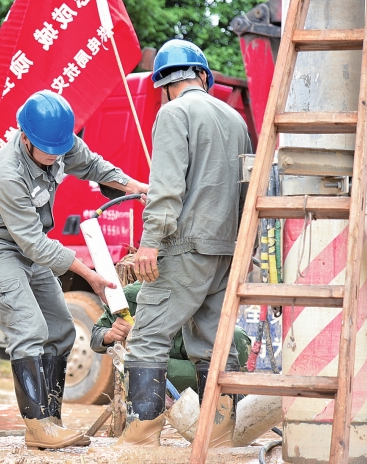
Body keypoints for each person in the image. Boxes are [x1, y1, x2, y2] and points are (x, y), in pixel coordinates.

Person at [0, 90, 148, 450]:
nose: (57, 155)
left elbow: (93, 165)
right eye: (48, 149)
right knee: (29, 328)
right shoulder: (5, 172)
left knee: (62, 329)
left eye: (61, 148)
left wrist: (136, 187)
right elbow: (32, 243)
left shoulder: (59, 142)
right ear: (25, 137)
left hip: (28, 247)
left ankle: (53, 423)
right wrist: (90, 276)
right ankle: (37, 427)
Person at [118, 39, 253, 448]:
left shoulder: (172, 113)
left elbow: (167, 188)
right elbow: (245, 190)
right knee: (214, 344)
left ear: (163, 83)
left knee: (147, 337)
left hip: (183, 247)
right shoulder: (235, 120)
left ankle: (140, 440)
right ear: (203, 75)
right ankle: (219, 438)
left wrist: (149, 242)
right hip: (226, 248)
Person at [90, 280, 252, 395]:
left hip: (202, 360)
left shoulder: (201, 290)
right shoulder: (131, 296)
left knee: (236, 336)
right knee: (145, 366)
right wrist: (110, 335)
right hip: (160, 363)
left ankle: (231, 400)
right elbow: (96, 336)